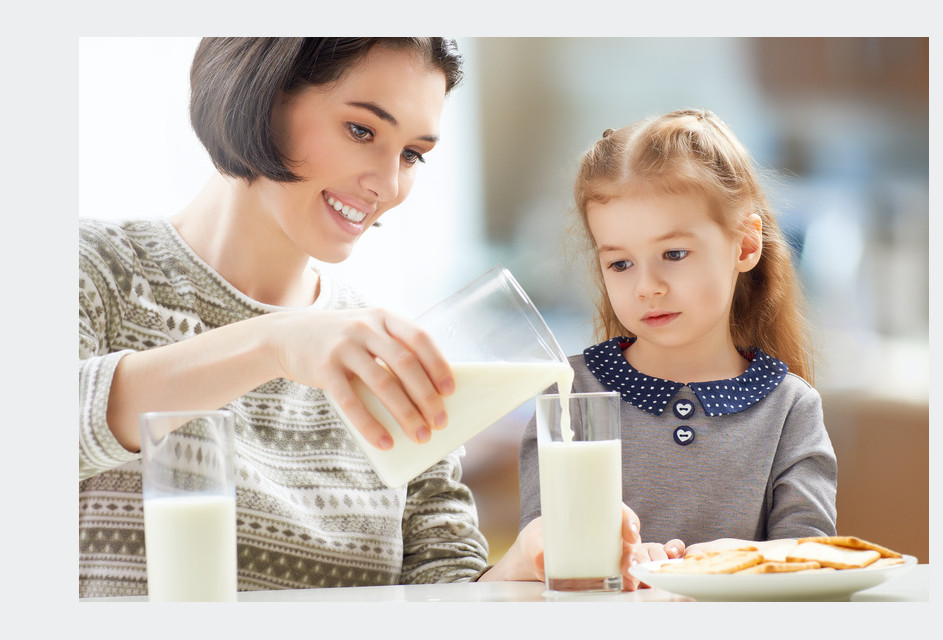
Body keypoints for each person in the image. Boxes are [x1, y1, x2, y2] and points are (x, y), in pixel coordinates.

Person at [80, 37, 647, 598]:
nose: (389, 183)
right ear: (259, 97)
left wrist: (516, 570)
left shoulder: (382, 352)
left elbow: (439, 583)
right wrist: (274, 343)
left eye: (412, 154)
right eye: (361, 131)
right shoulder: (92, 272)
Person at [517, 108, 838, 570]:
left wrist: (741, 558)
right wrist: (611, 557)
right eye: (620, 263)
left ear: (746, 245)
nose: (646, 286)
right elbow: (541, 549)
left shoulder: (791, 408)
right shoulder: (570, 394)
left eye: (673, 253)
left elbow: (810, 557)